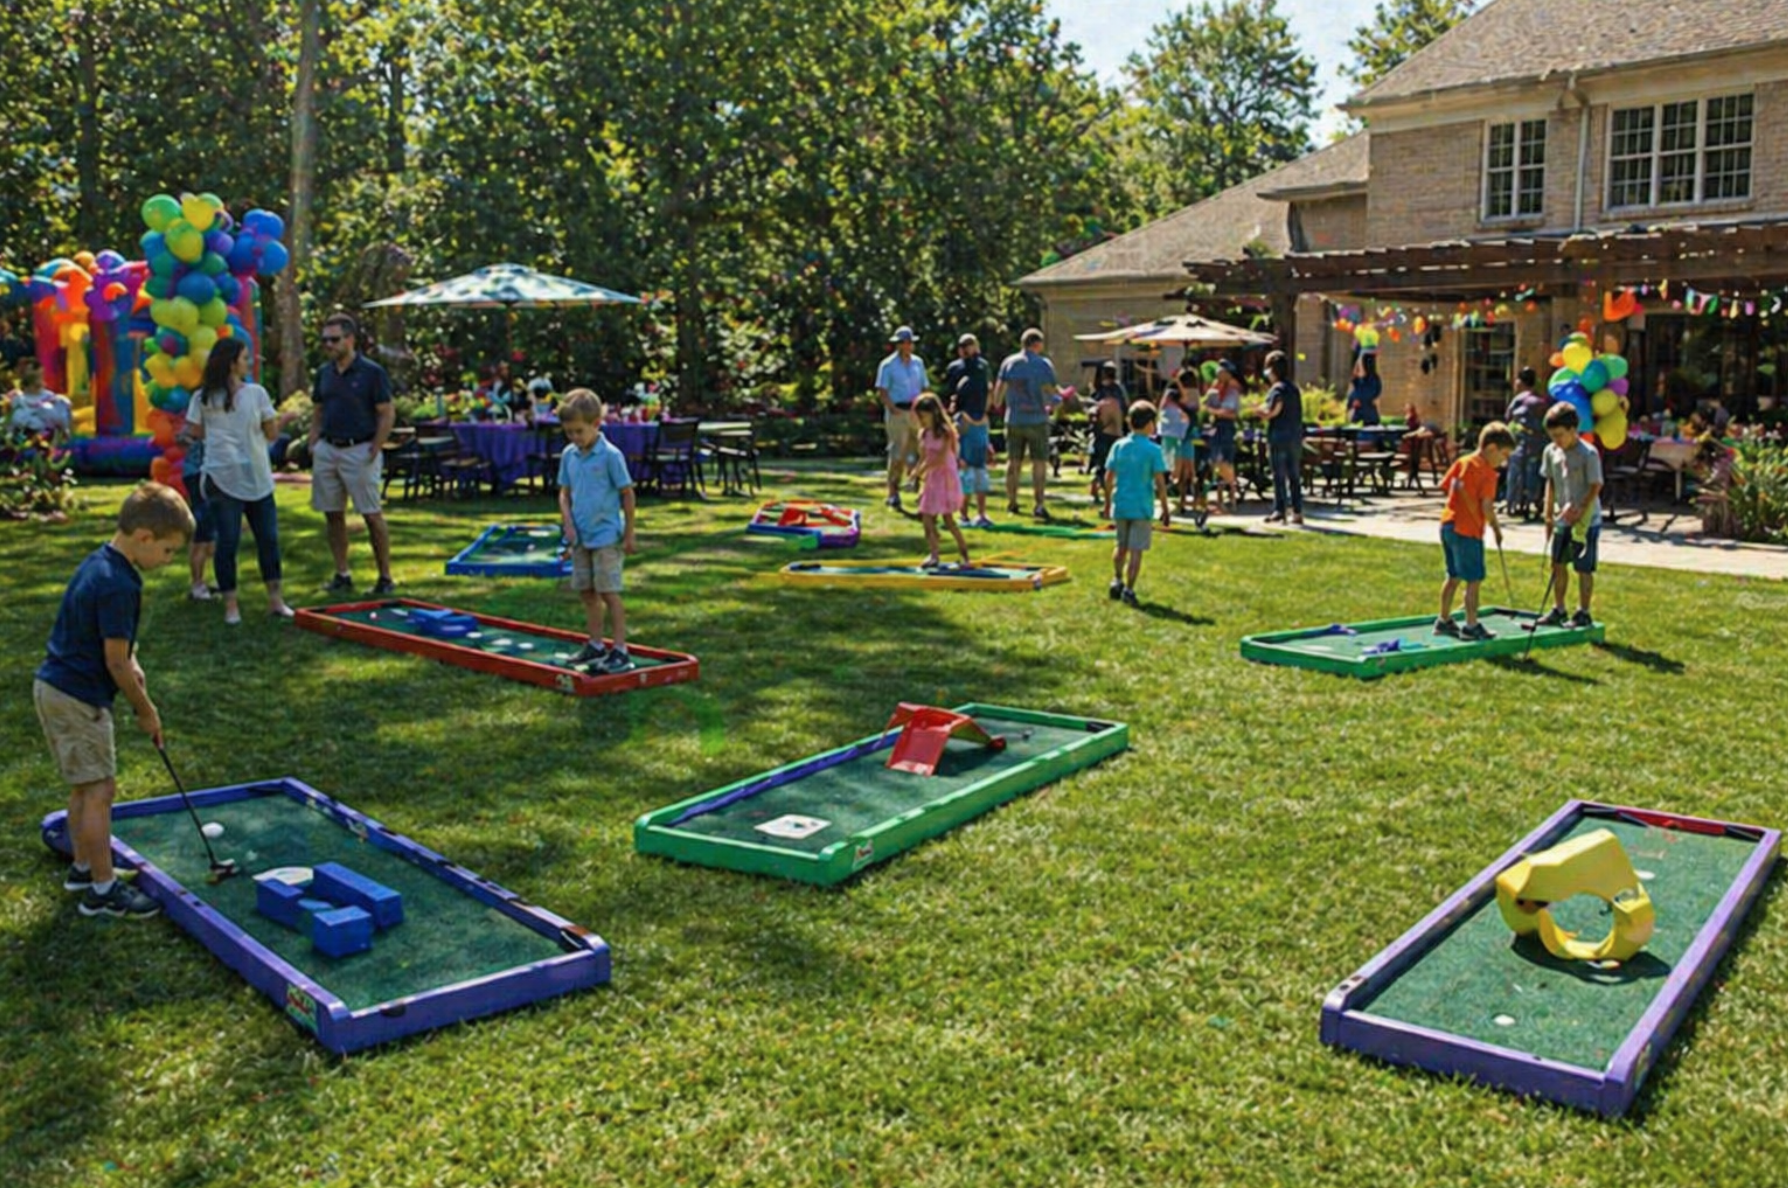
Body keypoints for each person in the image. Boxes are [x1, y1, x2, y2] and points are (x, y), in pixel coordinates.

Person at [34, 482, 193, 918]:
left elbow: (117, 646)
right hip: (77, 696)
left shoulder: (100, 563)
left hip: (57, 688)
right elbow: (115, 663)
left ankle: (83, 868)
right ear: (144, 538)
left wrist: (133, 658)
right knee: (100, 789)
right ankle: (102, 892)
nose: (168, 561)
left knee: (86, 786)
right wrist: (146, 708)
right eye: (168, 551)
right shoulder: (121, 585)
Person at [186, 337, 296, 625]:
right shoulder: (206, 397)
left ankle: (261, 603)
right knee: (251, 541)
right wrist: (282, 421)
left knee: (249, 541)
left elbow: (195, 432)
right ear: (232, 362)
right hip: (223, 478)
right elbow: (272, 434)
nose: (249, 362)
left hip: (254, 478)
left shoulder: (242, 394)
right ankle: (247, 604)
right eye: (246, 358)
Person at [309, 314, 396, 596]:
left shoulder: (372, 372)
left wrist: (375, 447)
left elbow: (386, 413)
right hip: (328, 449)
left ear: (350, 339)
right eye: (324, 340)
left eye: (334, 339)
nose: (328, 345)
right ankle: (342, 573)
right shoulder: (324, 373)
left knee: (371, 515)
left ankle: (385, 577)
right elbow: (318, 410)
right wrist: (313, 442)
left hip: (360, 449)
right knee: (332, 514)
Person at [557, 389, 638, 673]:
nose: (575, 438)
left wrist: (629, 533)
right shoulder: (569, 455)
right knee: (587, 592)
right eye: (569, 433)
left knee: (609, 592)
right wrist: (567, 522)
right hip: (581, 537)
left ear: (596, 425)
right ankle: (595, 644)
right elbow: (564, 493)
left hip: (606, 537)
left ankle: (620, 649)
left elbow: (627, 494)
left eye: (579, 431)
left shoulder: (611, 456)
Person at [1435, 422, 1514, 640]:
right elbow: (1487, 506)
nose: (1504, 461)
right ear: (1491, 449)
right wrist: (1496, 529)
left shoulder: (1462, 461)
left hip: (1448, 525)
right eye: (1503, 455)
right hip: (1468, 531)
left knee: (1453, 576)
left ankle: (1443, 620)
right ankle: (1471, 626)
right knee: (1473, 579)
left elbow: (1447, 486)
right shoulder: (1487, 472)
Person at [1538, 402, 1604, 629]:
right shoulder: (1551, 451)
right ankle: (1559, 609)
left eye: (1560, 435)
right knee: (1558, 563)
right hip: (1562, 518)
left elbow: (1595, 485)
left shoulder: (1588, 453)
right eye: (1552, 436)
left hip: (1587, 520)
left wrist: (1580, 509)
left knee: (1583, 567)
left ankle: (1583, 612)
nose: (1556, 440)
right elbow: (1551, 482)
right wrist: (1548, 515)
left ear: (1573, 429)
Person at [1101, 401, 1170, 608]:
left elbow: (1108, 477)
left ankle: (1117, 579)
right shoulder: (1153, 450)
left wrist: (1106, 503)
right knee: (1136, 550)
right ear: (1149, 424)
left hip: (1121, 504)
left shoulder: (1119, 445)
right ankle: (1129, 589)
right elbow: (1160, 483)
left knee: (1120, 546)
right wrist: (1165, 509)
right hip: (1141, 507)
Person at [993, 327, 1059, 519]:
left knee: (1013, 462)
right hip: (1037, 419)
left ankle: (1012, 503)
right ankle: (1039, 505)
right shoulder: (1043, 364)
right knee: (1039, 463)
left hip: (1014, 418)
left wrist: (999, 405)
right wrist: (1056, 402)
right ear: (1037, 344)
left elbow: (998, 393)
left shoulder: (1009, 363)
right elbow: (1051, 391)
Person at [910, 393, 972, 568]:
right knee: (927, 519)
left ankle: (964, 555)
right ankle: (934, 554)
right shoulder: (923, 434)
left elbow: (941, 458)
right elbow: (924, 457)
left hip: (945, 478)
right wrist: (917, 474)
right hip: (932, 479)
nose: (921, 420)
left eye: (923, 416)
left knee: (948, 519)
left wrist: (920, 471)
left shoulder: (945, 432)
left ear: (934, 413)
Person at [875, 326, 928, 510]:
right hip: (897, 412)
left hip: (916, 412)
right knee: (897, 453)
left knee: (920, 451)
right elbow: (882, 391)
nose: (907, 345)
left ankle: (918, 489)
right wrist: (892, 408)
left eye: (909, 342)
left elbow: (924, 387)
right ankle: (893, 493)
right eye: (904, 342)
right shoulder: (887, 365)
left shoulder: (918, 363)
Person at [946, 334, 995, 528]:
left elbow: (989, 390)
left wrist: (985, 413)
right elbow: (952, 396)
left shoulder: (983, 366)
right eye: (963, 346)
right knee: (965, 469)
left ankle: (982, 514)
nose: (967, 350)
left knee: (980, 469)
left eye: (970, 345)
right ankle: (963, 514)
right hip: (964, 419)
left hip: (980, 420)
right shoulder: (955, 368)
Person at [1260, 350, 1304, 525]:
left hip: (1278, 436)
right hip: (1294, 436)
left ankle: (1280, 510)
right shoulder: (1294, 389)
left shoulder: (1277, 389)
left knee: (1278, 475)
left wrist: (1260, 412)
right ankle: (1298, 512)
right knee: (1294, 475)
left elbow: (1273, 410)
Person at [176, 426, 216, 601]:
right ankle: (197, 584)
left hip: (207, 474)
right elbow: (180, 438)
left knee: (210, 532)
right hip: (199, 474)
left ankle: (202, 581)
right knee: (203, 532)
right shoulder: (200, 415)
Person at [1504, 368, 1548, 520]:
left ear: (1520, 382)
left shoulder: (1518, 400)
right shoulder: (1541, 400)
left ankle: (1513, 504)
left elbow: (1508, 419)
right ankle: (1535, 503)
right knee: (1534, 475)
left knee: (1516, 475)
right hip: (1539, 444)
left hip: (1520, 444)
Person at [1203, 359, 1243, 514]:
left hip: (1227, 430)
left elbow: (1231, 413)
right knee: (1216, 464)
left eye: (1223, 372)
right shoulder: (1213, 392)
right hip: (1216, 429)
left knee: (1227, 463)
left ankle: (1232, 500)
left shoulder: (1233, 392)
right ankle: (1220, 501)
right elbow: (1205, 407)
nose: (1219, 375)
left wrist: (1215, 411)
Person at [1158, 370, 1197, 515]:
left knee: (1182, 472)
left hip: (1179, 439)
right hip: (1176, 439)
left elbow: (1184, 398)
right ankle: (1177, 501)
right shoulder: (1171, 402)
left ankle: (1181, 501)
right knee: (1179, 472)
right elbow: (1161, 408)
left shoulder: (1181, 404)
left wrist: (1177, 382)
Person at [1087, 363, 1127, 500]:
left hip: (1100, 431)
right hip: (1115, 431)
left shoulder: (1098, 390)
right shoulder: (1118, 390)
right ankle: (1104, 490)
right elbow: (1124, 408)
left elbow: (1092, 408)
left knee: (1101, 462)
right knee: (1112, 463)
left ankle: (1097, 484)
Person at [8, 359, 73, 442]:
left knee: (49, 408)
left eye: (38, 376)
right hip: (24, 440)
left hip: (47, 438)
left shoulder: (50, 398)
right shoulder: (18, 399)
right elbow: (11, 424)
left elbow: (60, 421)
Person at [1345, 349, 1383, 426]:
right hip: (1359, 422)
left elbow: (1371, 396)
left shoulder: (1371, 381)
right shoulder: (1358, 383)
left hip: (1368, 421)